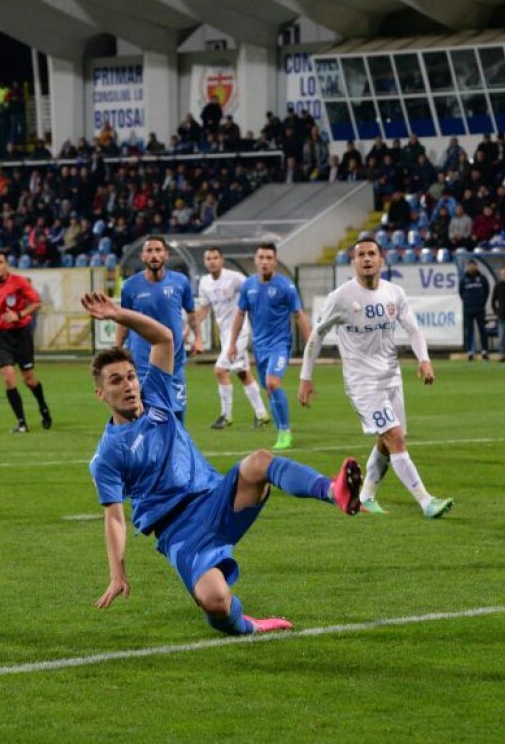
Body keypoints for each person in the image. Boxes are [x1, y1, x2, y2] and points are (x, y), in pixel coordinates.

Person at [81, 291, 363, 636]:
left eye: (130, 376)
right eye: (116, 381)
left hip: (215, 498)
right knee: (215, 601)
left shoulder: (155, 393)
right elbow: (114, 517)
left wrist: (117, 313)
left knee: (260, 461)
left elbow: (164, 337)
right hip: (177, 532)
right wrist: (117, 572)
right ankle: (245, 625)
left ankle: (335, 491)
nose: (128, 385)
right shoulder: (107, 455)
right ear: (100, 394)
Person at [299, 238, 454, 518]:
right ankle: (426, 501)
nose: (367, 259)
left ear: (381, 260)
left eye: (372, 254)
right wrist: (305, 377)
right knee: (395, 437)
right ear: (353, 262)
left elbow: (414, 329)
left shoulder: (394, 293)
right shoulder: (342, 297)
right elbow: (317, 334)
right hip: (363, 383)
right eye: (361, 255)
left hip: (391, 378)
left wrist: (425, 360)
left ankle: (366, 496)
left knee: (387, 439)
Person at [228, 243, 311, 449]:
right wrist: (232, 344)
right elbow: (240, 314)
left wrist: (311, 343)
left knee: (273, 383)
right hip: (260, 346)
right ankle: (280, 426)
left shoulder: (285, 286)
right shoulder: (248, 286)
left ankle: (284, 431)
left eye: (268, 258)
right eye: (261, 258)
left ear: (274, 261)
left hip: (280, 344)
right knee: (269, 389)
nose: (264, 262)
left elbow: (299, 315)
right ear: (256, 260)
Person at [114, 236, 200, 423]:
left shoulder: (180, 282)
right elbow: (123, 320)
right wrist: (117, 348)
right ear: (143, 256)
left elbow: (192, 314)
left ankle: (176, 452)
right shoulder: (130, 286)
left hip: (174, 363)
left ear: (166, 255)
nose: (154, 255)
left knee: (177, 417)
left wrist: (198, 338)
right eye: (150, 251)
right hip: (142, 363)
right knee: (146, 417)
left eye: (158, 250)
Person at [196, 247, 270, 429]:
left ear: (222, 260)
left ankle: (226, 415)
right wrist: (189, 329)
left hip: (240, 331)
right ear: (205, 262)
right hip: (224, 333)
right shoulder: (204, 282)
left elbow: (252, 290)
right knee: (243, 373)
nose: (212, 261)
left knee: (220, 370)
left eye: (215, 258)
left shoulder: (235, 278)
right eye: (208, 258)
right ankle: (262, 415)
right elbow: (204, 309)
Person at [0, 249, 50, 432]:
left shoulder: (19, 282)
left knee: (29, 380)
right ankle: (22, 423)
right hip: (2, 337)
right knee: (9, 379)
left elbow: (36, 303)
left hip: (21, 335)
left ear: (6, 265)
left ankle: (43, 407)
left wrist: (19, 314)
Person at [458, 259, 490, 360]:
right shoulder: (464, 279)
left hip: (480, 309)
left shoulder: (482, 278)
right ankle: (470, 351)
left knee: (482, 330)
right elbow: (461, 292)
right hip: (468, 310)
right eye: (470, 266)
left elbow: (486, 291)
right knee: (469, 331)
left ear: (476, 267)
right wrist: (467, 301)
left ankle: (484, 351)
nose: (472, 268)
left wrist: (481, 302)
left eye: (473, 266)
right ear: (468, 267)